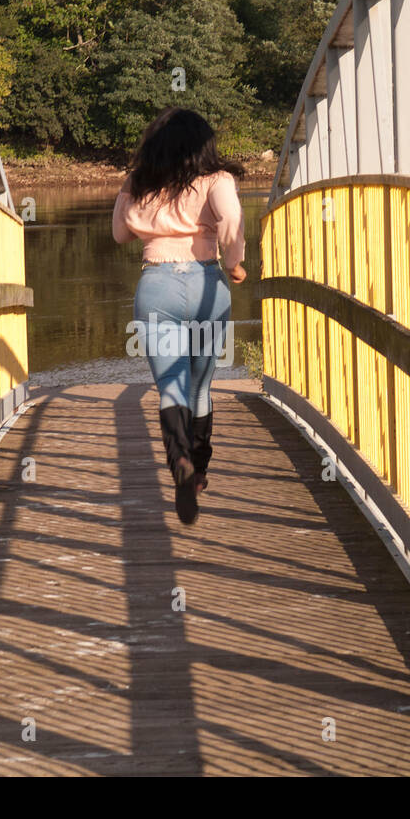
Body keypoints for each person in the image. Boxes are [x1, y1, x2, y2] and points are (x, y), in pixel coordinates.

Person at [112, 107, 248, 525]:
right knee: (201, 386)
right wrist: (235, 262)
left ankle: (180, 465)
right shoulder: (217, 179)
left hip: (157, 287)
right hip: (207, 284)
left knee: (171, 385)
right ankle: (201, 469)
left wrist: (135, 193)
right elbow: (231, 218)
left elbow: (119, 232)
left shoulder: (141, 181)